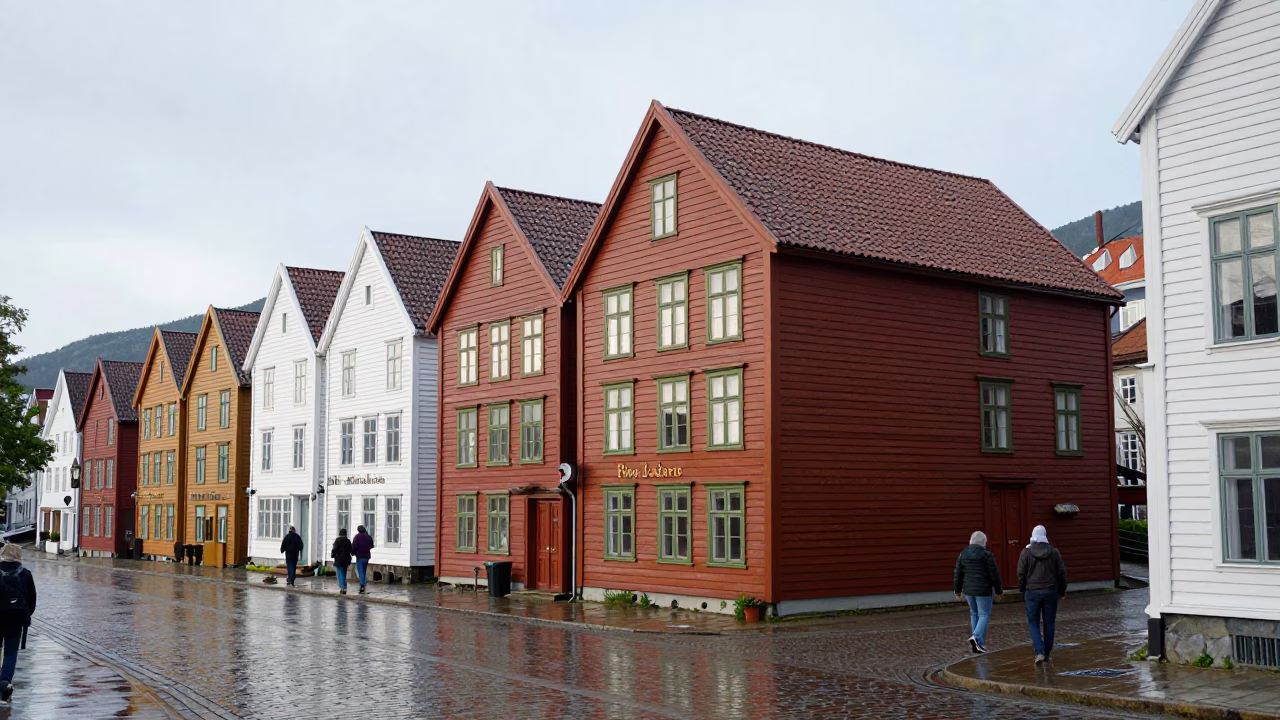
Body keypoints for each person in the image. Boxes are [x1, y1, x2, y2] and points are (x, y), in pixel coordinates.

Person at [1017, 525, 1068, 664]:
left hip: (1032, 591)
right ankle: (1047, 652)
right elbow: (1061, 573)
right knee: (1049, 622)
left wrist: (1022, 588)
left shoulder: (1026, 552)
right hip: (1050, 591)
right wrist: (1062, 591)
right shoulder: (1054, 552)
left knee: (1033, 622)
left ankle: (1038, 651)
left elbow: (1021, 573)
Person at [953, 530, 1003, 653]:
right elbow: (994, 574)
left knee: (974, 614)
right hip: (983, 590)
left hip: (969, 590)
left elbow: (958, 573)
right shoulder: (987, 555)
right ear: (983, 542)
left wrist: (957, 590)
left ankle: (977, 645)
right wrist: (998, 590)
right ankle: (976, 637)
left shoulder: (963, 554)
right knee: (984, 614)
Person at [0, 543, 36, 703]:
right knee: (10, 653)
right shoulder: (25, 574)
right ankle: (5, 683)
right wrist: (24, 615)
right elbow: (32, 600)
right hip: (15, 619)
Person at [351, 525, 374, 594]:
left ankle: (362, 585)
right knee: (364, 570)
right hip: (366, 556)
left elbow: (354, 546)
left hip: (360, 556)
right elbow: (371, 545)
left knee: (361, 571)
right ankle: (364, 584)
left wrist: (352, 553)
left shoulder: (357, 537)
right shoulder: (368, 537)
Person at [331, 528, 353, 595]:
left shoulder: (337, 540)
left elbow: (334, 549)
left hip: (338, 559)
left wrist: (332, 555)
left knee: (340, 573)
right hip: (346, 559)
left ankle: (342, 587)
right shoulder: (348, 541)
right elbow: (351, 550)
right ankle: (344, 586)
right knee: (344, 572)